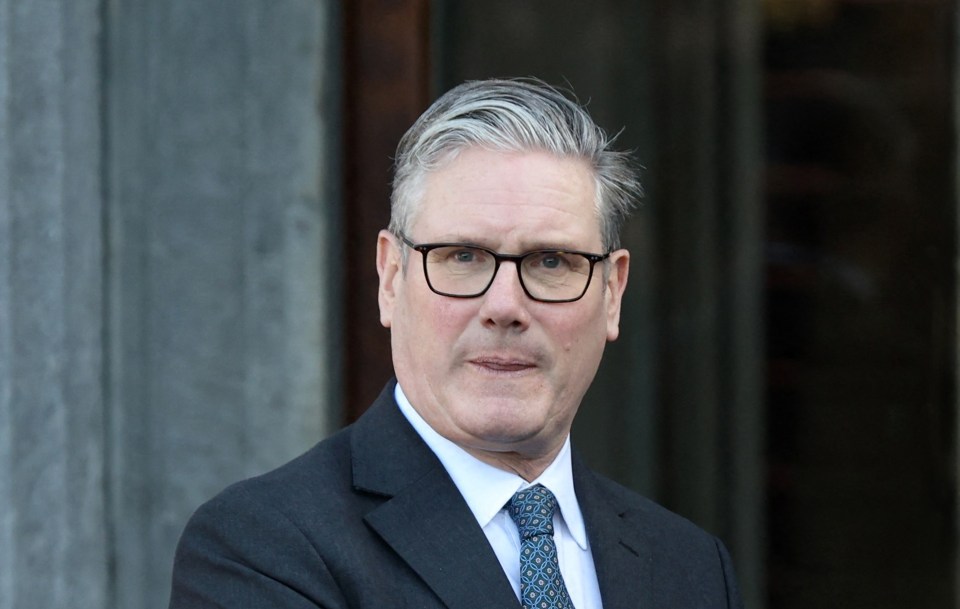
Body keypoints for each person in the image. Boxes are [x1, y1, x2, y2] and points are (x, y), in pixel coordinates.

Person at [168, 78, 743, 609]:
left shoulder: (689, 567)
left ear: (611, 293)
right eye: (463, 258)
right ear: (391, 278)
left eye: (551, 262)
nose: (505, 307)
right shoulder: (263, 549)